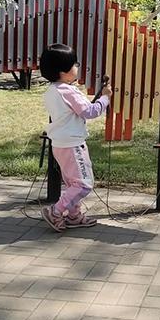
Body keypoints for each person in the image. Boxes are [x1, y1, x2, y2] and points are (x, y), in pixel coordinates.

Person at [39, 44, 111, 232]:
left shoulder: (52, 90)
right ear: (63, 71)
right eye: (74, 64)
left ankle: (74, 216)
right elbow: (89, 112)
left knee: (73, 183)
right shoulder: (68, 91)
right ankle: (55, 211)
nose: (77, 66)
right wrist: (105, 98)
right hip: (73, 145)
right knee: (84, 184)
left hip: (60, 145)